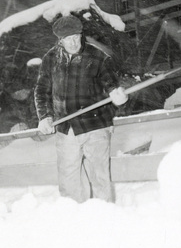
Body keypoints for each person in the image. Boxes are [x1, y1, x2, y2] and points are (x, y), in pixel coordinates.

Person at [34, 15, 128, 203]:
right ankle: (75, 221)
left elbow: (111, 83)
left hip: (95, 124)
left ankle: (105, 217)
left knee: (99, 177)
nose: (73, 42)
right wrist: (45, 116)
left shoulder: (98, 57)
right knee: (69, 182)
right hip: (66, 127)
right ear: (60, 40)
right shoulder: (51, 59)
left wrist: (117, 94)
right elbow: (42, 90)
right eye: (68, 39)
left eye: (76, 37)